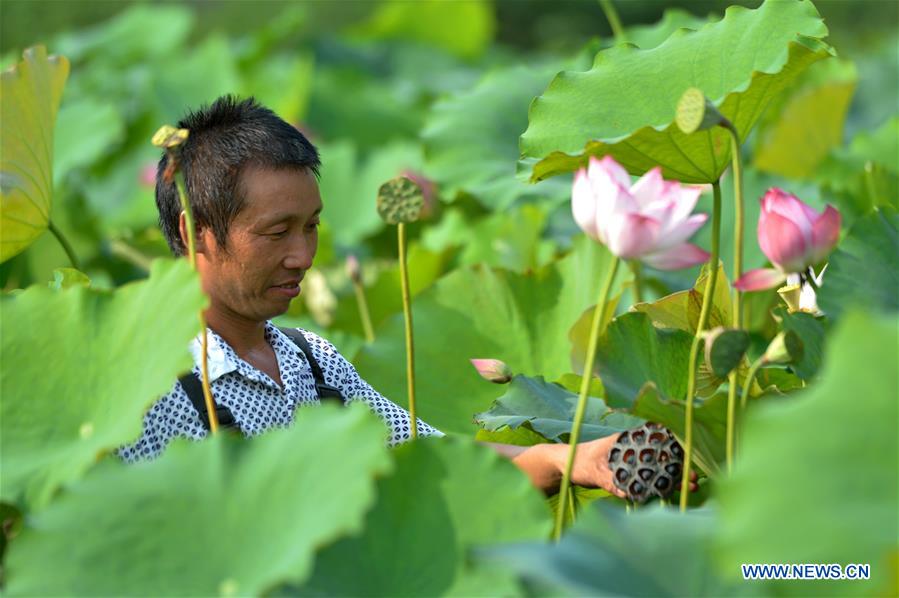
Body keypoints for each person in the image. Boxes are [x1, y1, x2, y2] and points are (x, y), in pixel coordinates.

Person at [119, 95, 696, 499]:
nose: (302, 255)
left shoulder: (312, 360)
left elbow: (434, 465)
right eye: (277, 233)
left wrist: (574, 458)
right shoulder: (147, 394)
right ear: (200, 234)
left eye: (312, 227)